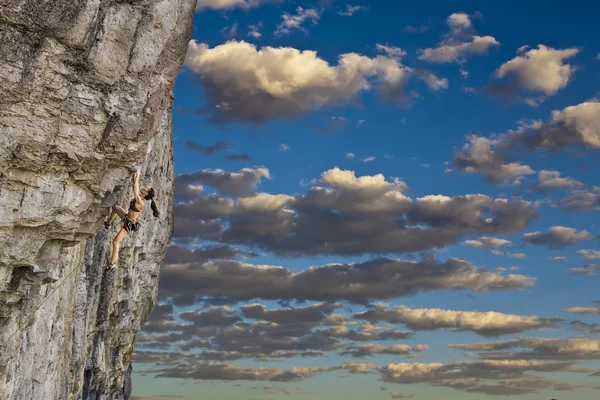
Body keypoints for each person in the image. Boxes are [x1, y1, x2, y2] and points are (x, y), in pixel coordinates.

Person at [104, 166, 160, 271]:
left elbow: (135, 186)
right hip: (126, 217)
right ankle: (108, 224)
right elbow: (134, 185)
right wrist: (134, 173)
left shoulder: (140, 201)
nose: (144, 188)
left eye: (146, 189)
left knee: (115, 242)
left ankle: (112, 264)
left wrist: (138, 173)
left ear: (146, 194)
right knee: (115, 208)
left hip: (128, 225)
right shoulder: (139, 196)